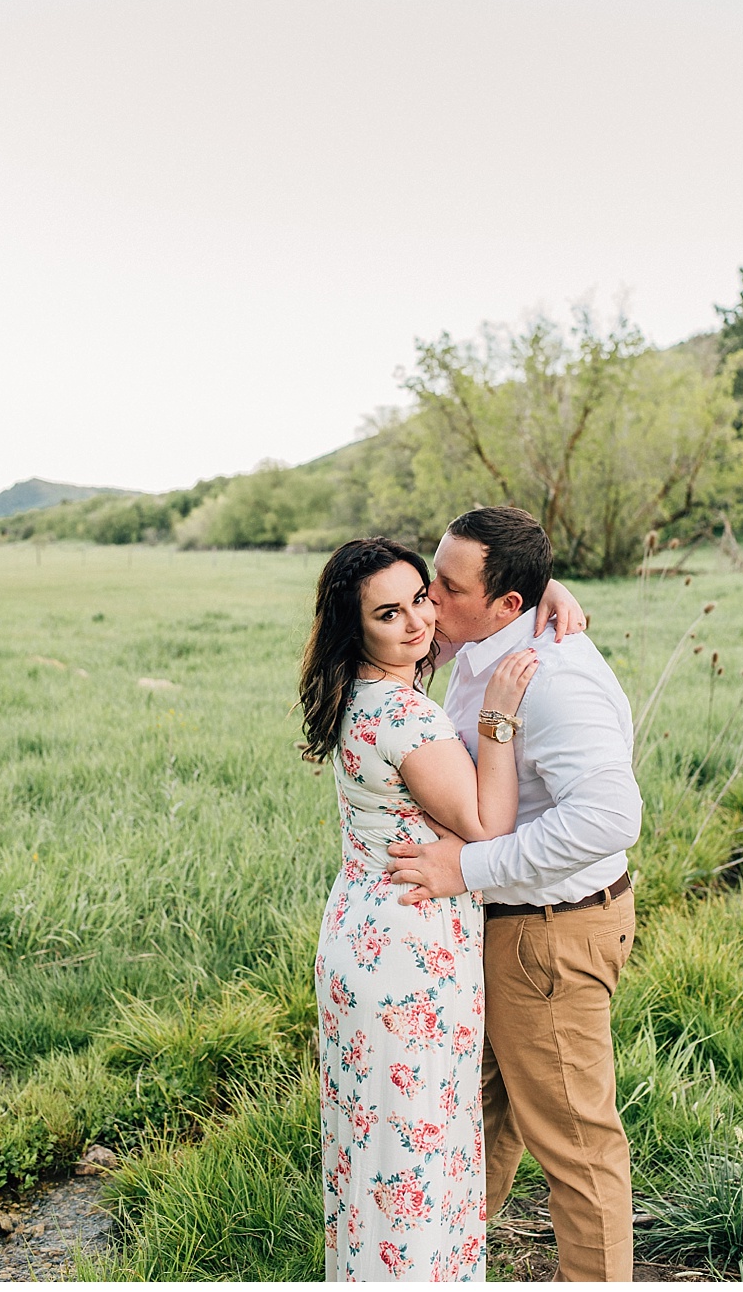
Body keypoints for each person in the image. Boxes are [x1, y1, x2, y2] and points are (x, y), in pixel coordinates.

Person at [299, 536, 583, 1282]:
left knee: (374, 1152)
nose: (419, 621)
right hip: (411, 952)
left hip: (362, 932)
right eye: (389, 613)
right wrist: (496, 718)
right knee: (417, 1158)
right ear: (356, 626)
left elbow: (474, 604)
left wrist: (541, 592)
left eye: (422, 598)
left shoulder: (359, 693)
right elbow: (488, 825)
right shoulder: (406, 717)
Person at [385, 506, 642, 1282]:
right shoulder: (484, 637)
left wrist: (468, 867)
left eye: (448, 587)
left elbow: (610, 817)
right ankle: (445, 1263)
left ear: (505, 605)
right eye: (433, 576)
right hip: (510, 927)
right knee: (482, 1113)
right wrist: (543, 588)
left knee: (576, 1142)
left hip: (549, 934)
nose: (430, 597)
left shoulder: (553, 680)